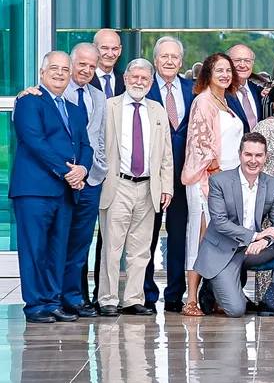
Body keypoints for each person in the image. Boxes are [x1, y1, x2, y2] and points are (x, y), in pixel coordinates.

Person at [10, 51, 94, 323]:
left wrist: (82, 168)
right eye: (54, 68)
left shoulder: (76, 110)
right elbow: (35, 142)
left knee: (58, 250)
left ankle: (52, 301)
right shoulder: (29, 102)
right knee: (34, 249)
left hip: (65, 191)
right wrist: (68, 171)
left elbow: (85, 146)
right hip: (35, 190)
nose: (59, 73)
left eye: (64, 69)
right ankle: (35, 305)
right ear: (42, 72)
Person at [193, 132, 274, 318]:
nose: (253, 160)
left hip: (253, 250)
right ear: (240, 154)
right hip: (223, 252)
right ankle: (209, 288)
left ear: (266, 157)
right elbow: (219, 222)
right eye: (248, 154)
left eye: (259, 155)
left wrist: (266, 239)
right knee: (236, 311)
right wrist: (255, 236)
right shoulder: (219, 181)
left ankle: (271, 299)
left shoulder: (272, 184)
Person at [97, 59, 173, 317]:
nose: (139, 82)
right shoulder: (110, 106)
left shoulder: (157, 110)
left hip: (149, 187)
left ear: (150, 83)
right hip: (118, 184)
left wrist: (167, 187)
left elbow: (166, 154)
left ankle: (132, 299)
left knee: (141, 250)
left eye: (144, 79)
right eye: (134, 77)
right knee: (112, 247)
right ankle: (107, 299)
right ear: (126, 79)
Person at [180, 52, 246, 316]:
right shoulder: (203, 101)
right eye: (219, 70)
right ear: (207, 72)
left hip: (228, 182)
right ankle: (191, 299)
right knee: (200, 236)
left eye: (228, 70)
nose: (225, 74)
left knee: (221, 240)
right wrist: (217, 174)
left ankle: (219, 295)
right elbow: (200, 143)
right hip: (207, 180)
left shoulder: (225, 101)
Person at [144, 35, 194, 312]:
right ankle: (147, 294)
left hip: (184, 178)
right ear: (155, 60)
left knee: (178, 238)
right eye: (164, 56)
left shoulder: (192, 89)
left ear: (181, 61)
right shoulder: (144, 87)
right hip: (151, 177)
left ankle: (175, 294)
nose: (170, 61)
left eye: (175, 57)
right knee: (148, 237)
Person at [61, 43, 109, 313]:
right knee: (59, 240)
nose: (87, 70)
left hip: (90, 180)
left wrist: (93, 168)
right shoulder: (56, 91)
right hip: (63, 178)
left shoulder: (97, 96)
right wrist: (71, 171)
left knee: (81, 243)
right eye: (83, 64)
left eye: (92, 66)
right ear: (71, 62)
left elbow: (98, 137)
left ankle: (74, 297)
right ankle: (55, 297)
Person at [226, 44, 263, 132]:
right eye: (237, 60)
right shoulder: (221, 92)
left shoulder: (259, 92)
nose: (242, 65)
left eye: (247, 61)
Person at [91, 28, 125, 98]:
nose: (110, 54)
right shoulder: (85, 78)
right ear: (94, 48)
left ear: (120, 50)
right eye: (105, 48)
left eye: (114, 49)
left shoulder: (125, 80)